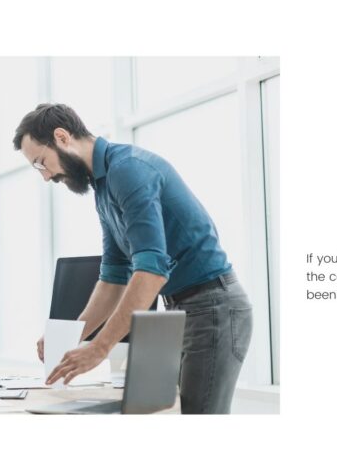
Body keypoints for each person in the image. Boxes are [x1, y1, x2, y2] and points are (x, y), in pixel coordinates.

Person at [13, 103, 253, 414]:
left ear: (61, 137)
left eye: (41, 163)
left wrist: (100, 348)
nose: (46, 177)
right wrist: (72, 336)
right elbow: (114, 276)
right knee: (162, 411)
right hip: (182, 309)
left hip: (214, 307)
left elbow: (152, 271)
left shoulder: (128, 169)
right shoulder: (103, 185)